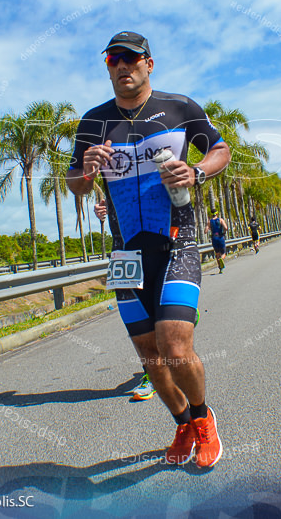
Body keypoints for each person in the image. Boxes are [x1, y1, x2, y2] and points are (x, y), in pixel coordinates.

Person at [67, 31, 231, 469]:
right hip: (125, 254)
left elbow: (220, 148)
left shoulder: (178, 108)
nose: (122, 66)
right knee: (150, 356)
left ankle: (202, 419)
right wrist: (84, 172)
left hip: (177, 241)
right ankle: (180, 422)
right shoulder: (93, 123)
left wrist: (196, 172)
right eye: (113, 59)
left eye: (131, 58)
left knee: (173, 345)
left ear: (148, 64)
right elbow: (77, 185)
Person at [96, 197, 156, 402]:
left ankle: (184, 314)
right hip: (122, 252)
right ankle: (151, 373)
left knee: (163, 315)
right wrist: (103, 205)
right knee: (135, 321)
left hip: (154, 244)